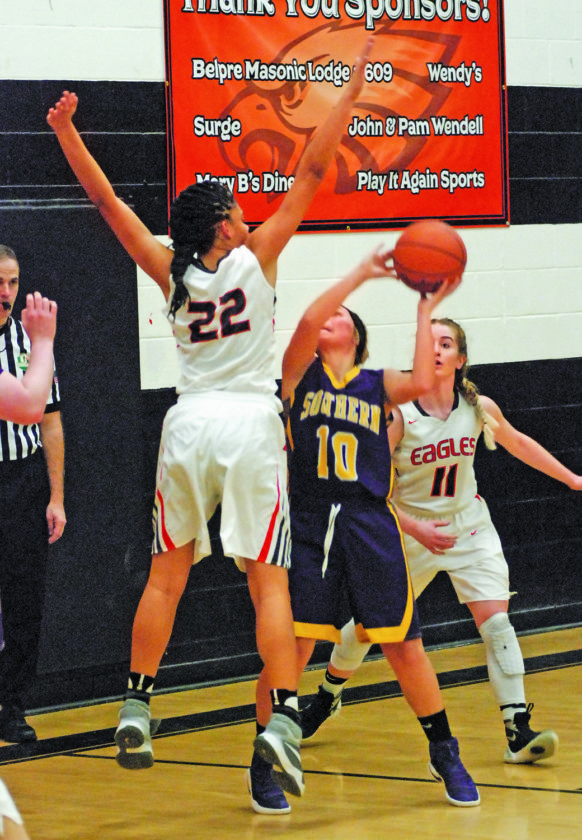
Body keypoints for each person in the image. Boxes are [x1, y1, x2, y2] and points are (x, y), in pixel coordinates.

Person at [46, 38, 373, 797]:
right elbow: (313, 169)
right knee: (269, 583)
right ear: (225, 226)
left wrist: (66, 132)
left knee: (167, 576)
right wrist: (350, 92)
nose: (245, 212)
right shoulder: (258, 256)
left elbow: (108, 205)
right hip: (251, 423)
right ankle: (283, 719)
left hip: (188, 424)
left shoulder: (170, 272)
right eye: (236, 208)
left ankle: (137, 702)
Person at [250, 250, 480, 814]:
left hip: (370, 524)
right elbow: (309, 320)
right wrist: (356, 275)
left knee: (403, 646)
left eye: (342, 315)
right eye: (328, 314)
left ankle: (444, 751)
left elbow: (423, 378)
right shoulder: (299, 377)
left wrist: (425, 307)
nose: (329, 317)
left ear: (357, 336)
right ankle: (262, 763)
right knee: (293, 647)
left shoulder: (378, 385)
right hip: (311, 522)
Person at [302, 316, 576, 765]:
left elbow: (519, 443)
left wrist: (572, 479)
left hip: (469, 526)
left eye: (445, 343)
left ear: (460, 359)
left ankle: (516, 729)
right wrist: (417, 529)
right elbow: (371, 490)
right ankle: (327, 695)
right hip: (410, 530)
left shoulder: (477, 407)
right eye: (427, 343)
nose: (435, 350)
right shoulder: (398, 415)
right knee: (369, 627)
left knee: (498, 626)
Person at [0, 246, 66, 744]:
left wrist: (56, 495)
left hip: (22, 479)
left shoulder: (26, 338)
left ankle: (12, 705)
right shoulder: (38, 340)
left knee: (24, 599)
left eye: (13, 282)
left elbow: (48, 419)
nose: (5, 293)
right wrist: (45, 341)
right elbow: (25, 404)